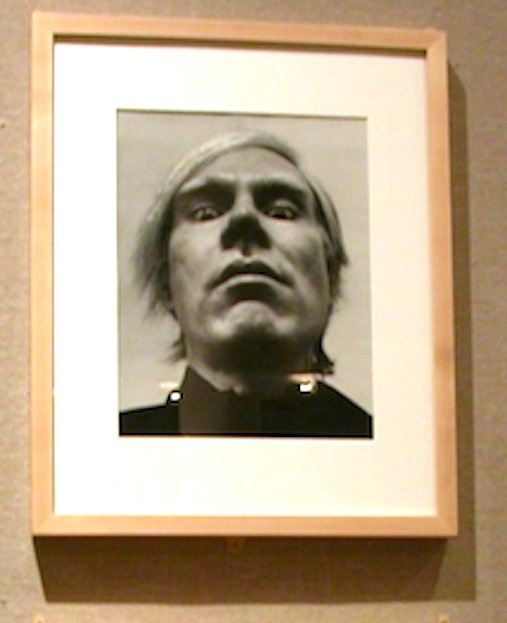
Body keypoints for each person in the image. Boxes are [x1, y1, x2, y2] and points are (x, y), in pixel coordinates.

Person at [120, 130, 372, 437]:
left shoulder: (397, 451)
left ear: (329, 275)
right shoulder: (112, 448)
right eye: (206, 213)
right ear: (165, 282)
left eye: (282, 212)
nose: (243, 218)